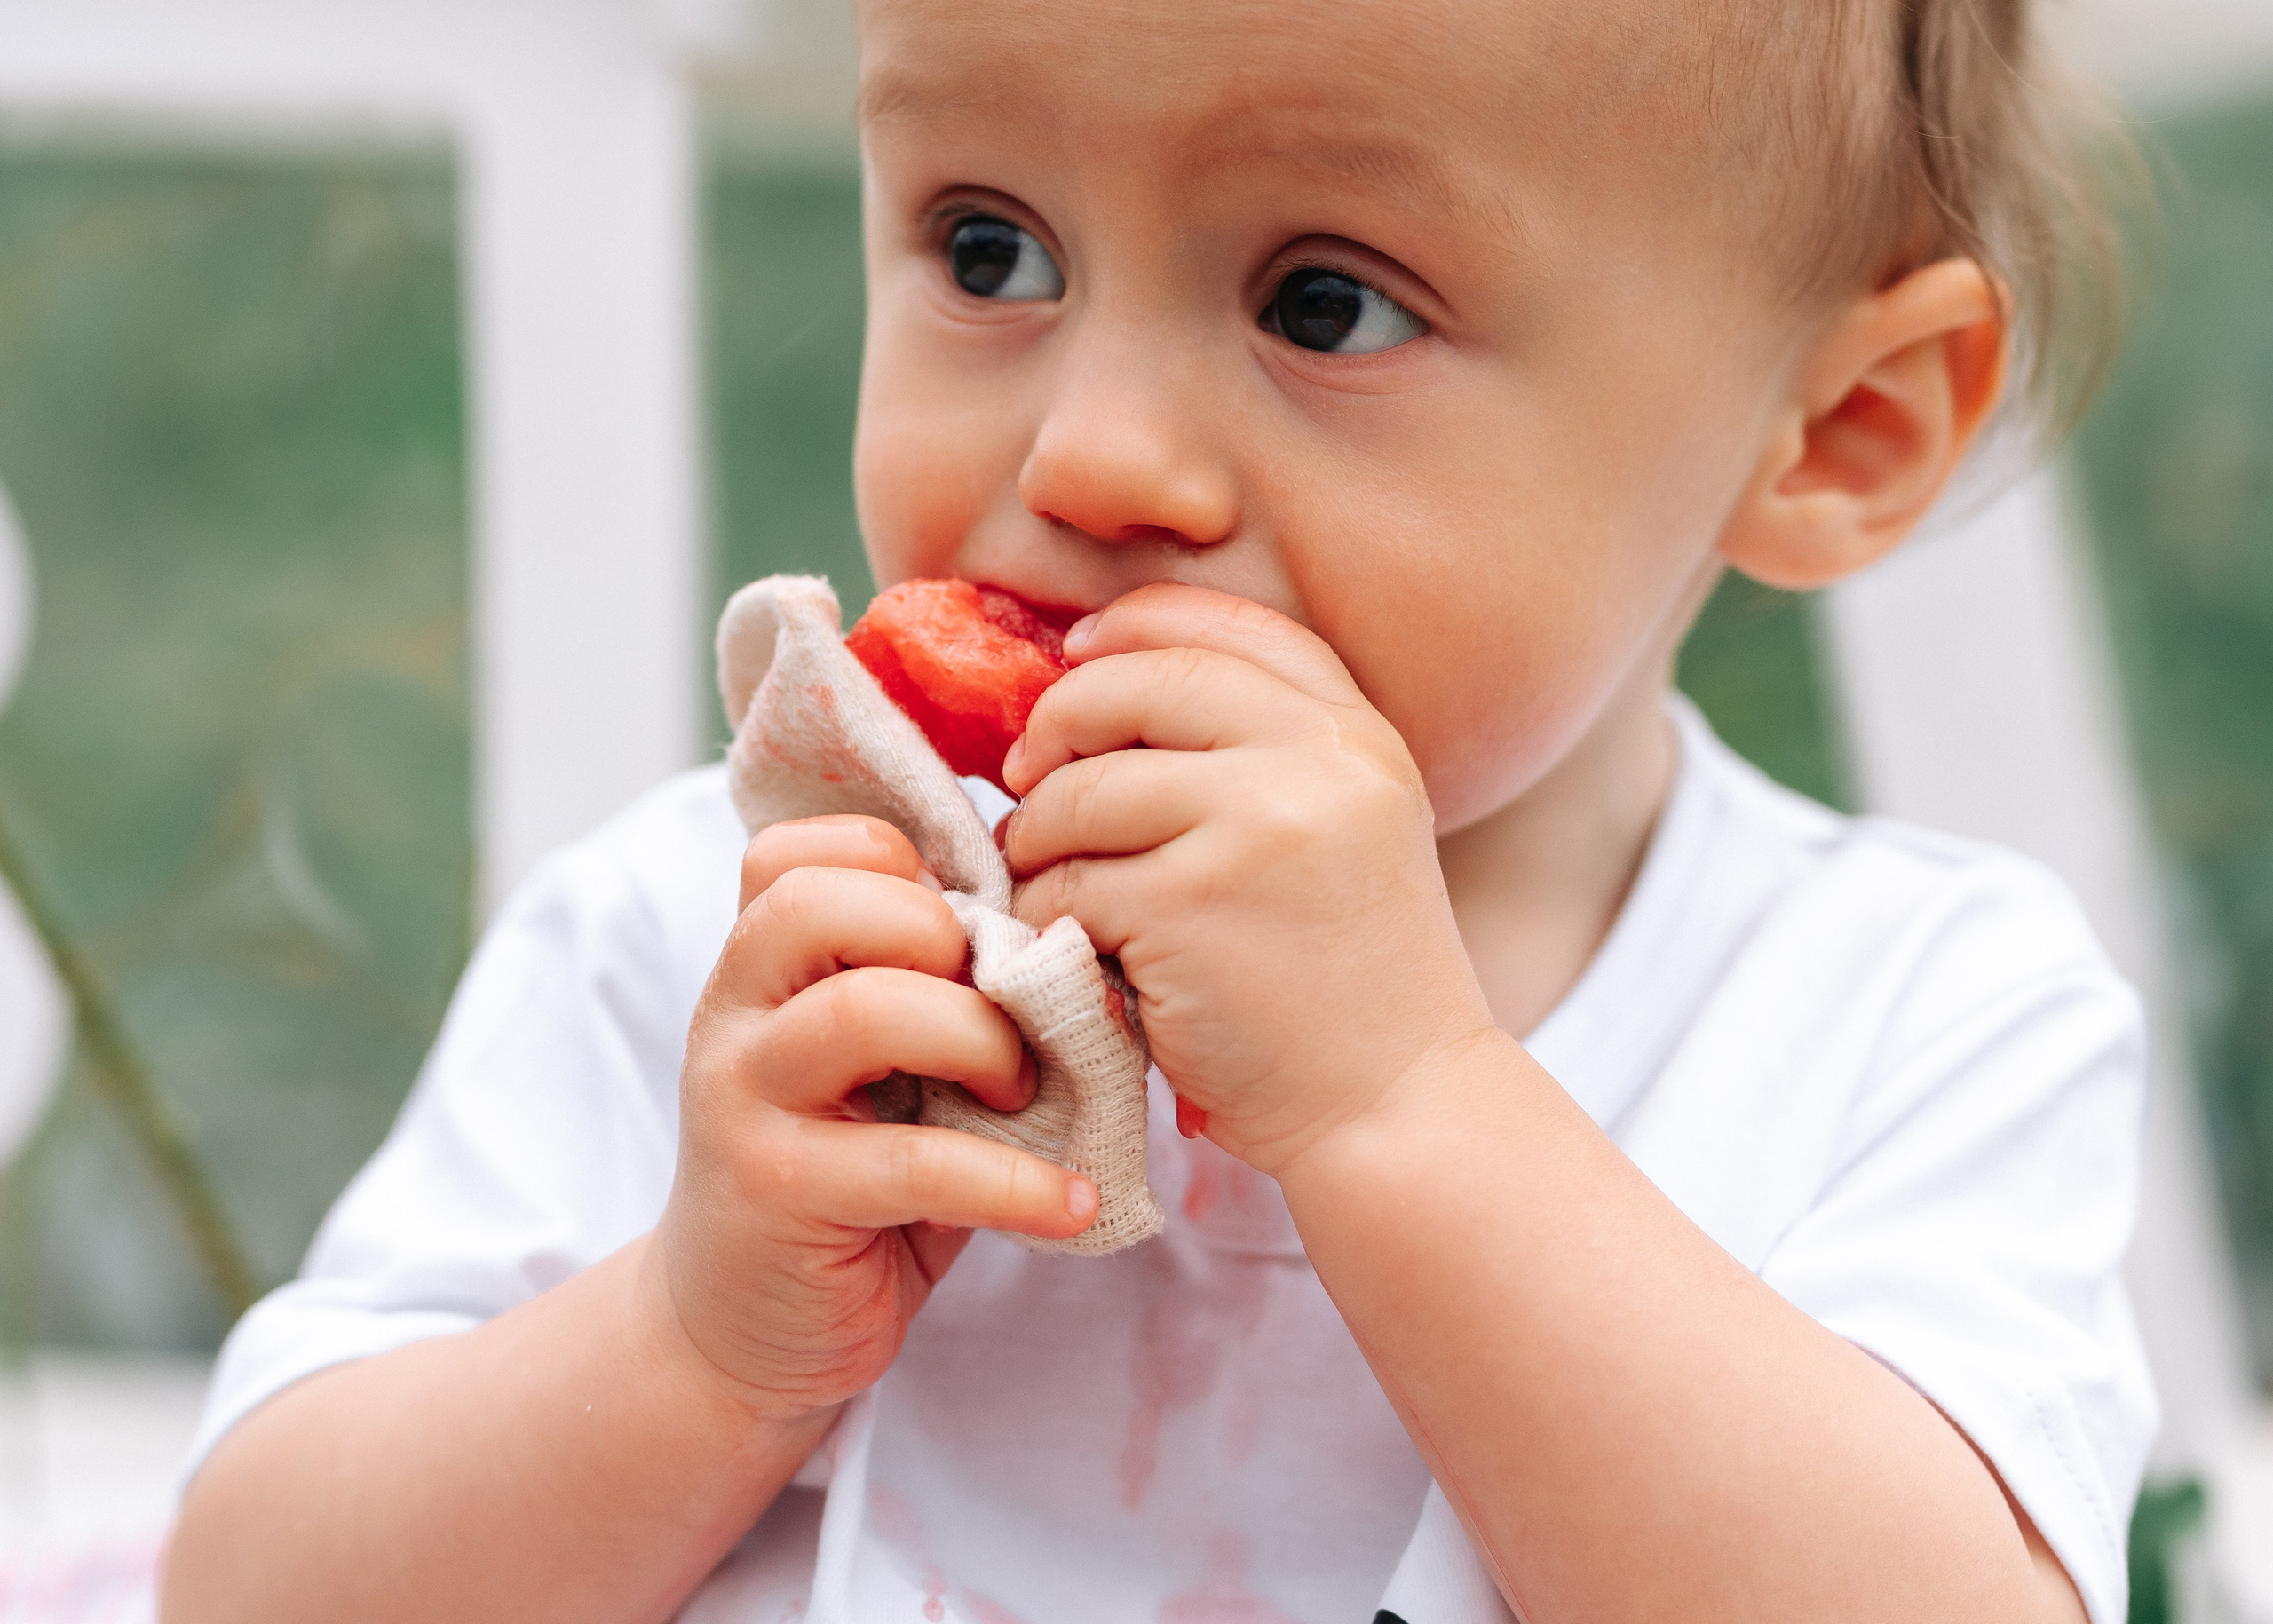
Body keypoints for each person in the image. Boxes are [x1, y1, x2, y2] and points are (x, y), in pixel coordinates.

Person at [160, 1, 2155, 1620]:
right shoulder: (736, 942)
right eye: (986, 249)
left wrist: (1400, 1100)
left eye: (1326, 306)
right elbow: (249, 1593)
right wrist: (694, 1345)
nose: (1089, 449)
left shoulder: (1909, 1013)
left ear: (1833, 432)